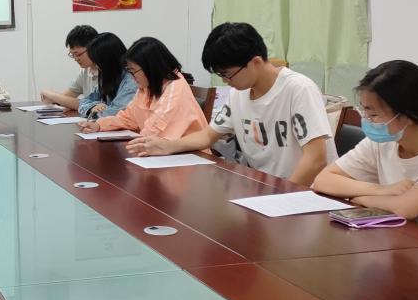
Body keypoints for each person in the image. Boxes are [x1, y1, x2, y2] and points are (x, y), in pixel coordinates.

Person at [130, 22, 335, 185]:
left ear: (255, 62)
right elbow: (208, 135)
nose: (225, 81)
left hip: (306, 192)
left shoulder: (298, 89)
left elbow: (316, 159)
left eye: (227, 74)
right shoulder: (239, 93)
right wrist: (168, 146)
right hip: (265, 188)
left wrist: (284, 196)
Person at [312, 61, 418, 239]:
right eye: (364, 113)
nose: (366, 121)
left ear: (410, 115)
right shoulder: (386, 140)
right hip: (412, 239)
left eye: (373, 115)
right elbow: (323, 180)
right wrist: (381, 190)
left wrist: (361, 198)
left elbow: (404, 208)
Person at [80, 37, 209, 145]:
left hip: (191, 156)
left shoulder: (175, 86)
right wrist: (99, 125)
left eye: (133, 71)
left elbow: (157, 127)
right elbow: (128, 117)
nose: (132, 76)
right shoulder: (146, 87)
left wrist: (137, 144)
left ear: (150, 67)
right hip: (161, 152)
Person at [76, 32, 137, 118]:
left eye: (97, 62)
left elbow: (115, 113)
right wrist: (93, 107)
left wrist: (97, 111)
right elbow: (83, 102)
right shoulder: (107, 76)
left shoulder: (132, 81)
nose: (96, 66)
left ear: (108, 60)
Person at [40, 25, 99, 111]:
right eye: (72, 54)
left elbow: (90, 106)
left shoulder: (108, 69)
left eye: (78, 54)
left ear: (93, 48)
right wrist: (51, 98)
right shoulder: (85, 71)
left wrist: (51, 94)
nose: (75, 59)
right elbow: (64, 98)